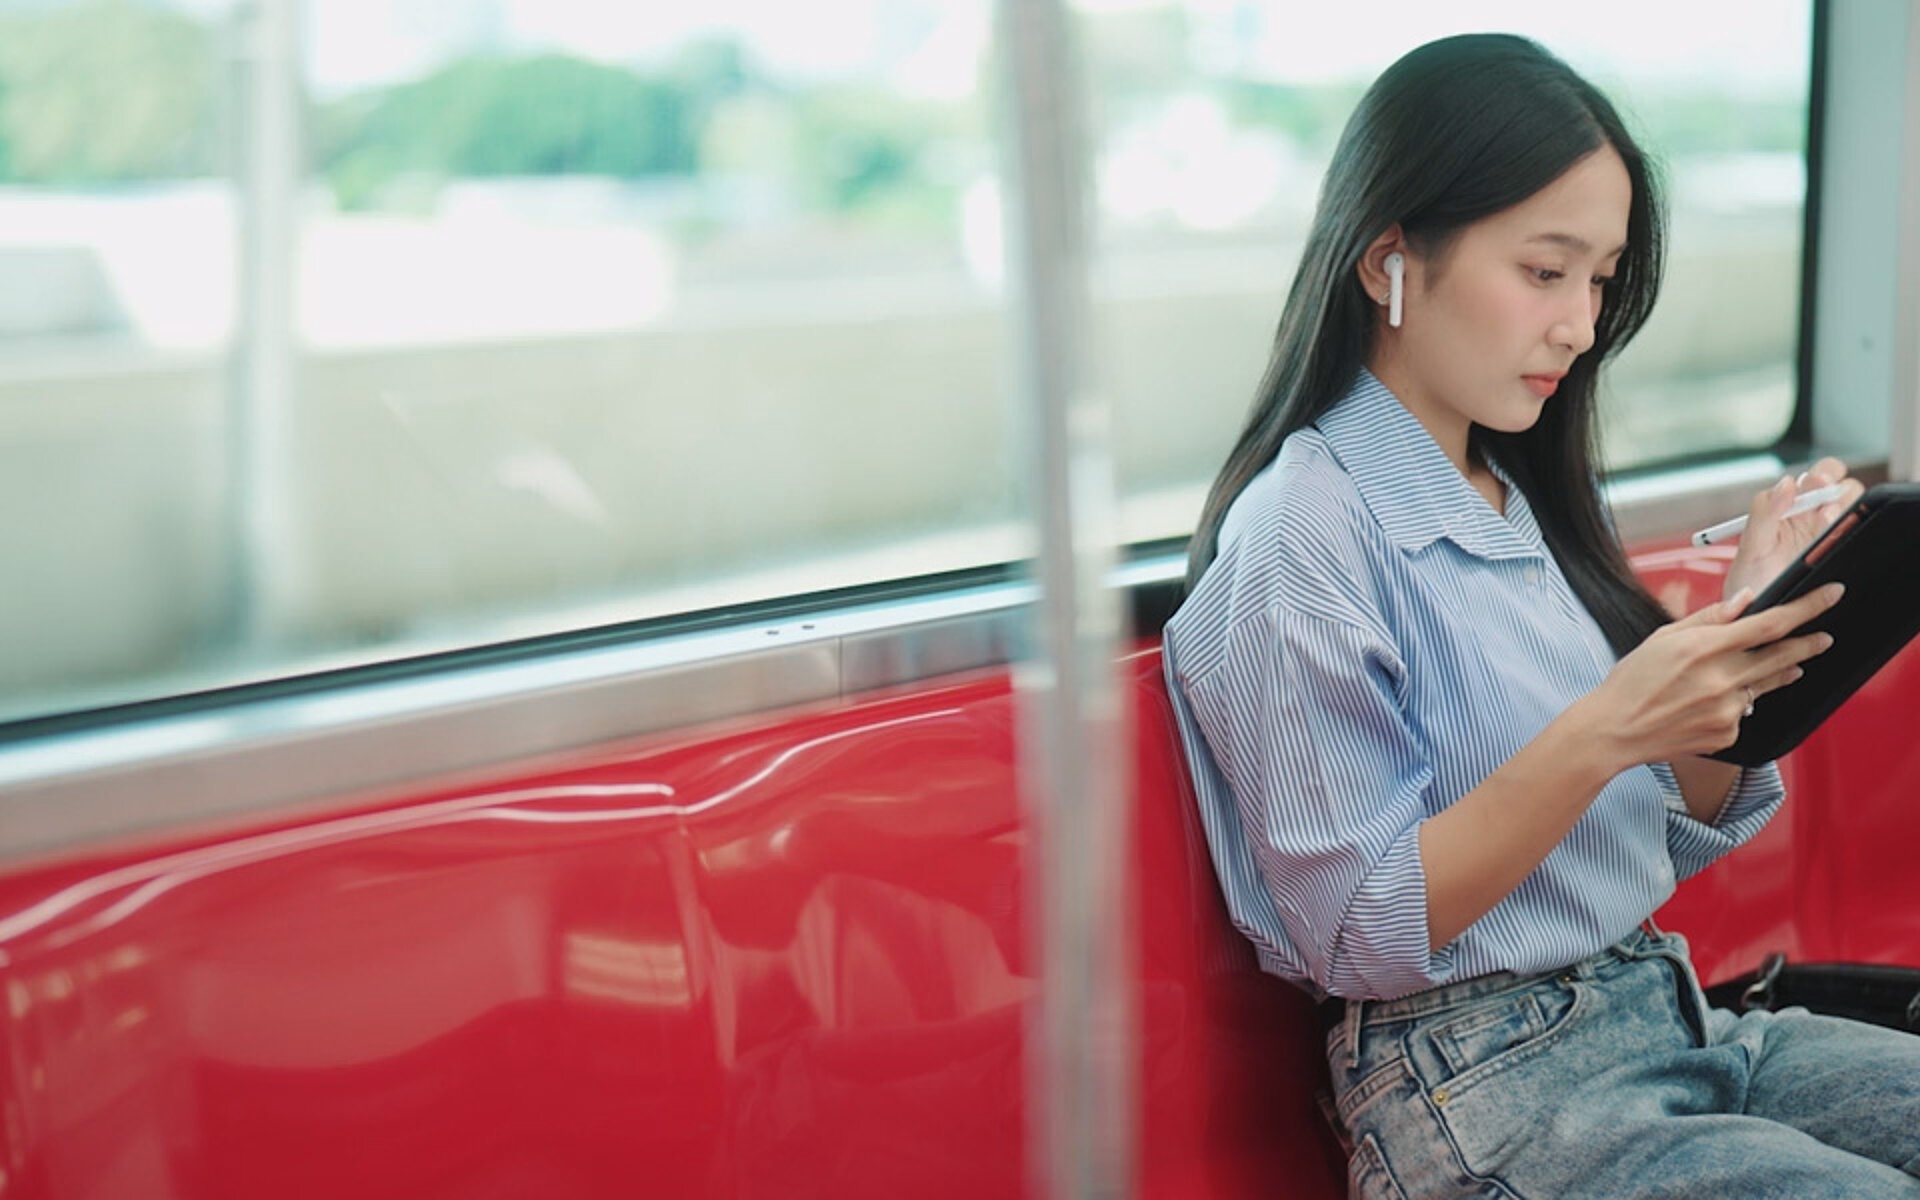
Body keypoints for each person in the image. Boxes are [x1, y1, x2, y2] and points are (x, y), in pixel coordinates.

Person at [1161, 32, 1920, 1200]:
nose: (1580, 324)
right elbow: (1359, 933)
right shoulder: (1301, 534)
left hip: (1671, 1016)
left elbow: (1675, 821)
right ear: (1388, 261)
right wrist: (1610, 722)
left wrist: (1744, 630)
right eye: (1545, 270)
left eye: (1602, 279)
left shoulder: (1523, 499)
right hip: (1482, 1084)